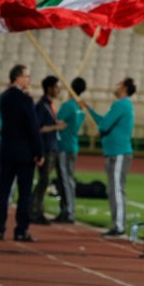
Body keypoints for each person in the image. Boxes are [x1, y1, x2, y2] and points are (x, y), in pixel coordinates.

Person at [0, 64, 44, 242]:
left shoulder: (4, 97)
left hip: (7, 150)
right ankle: (21, 230)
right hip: (24, 153)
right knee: (24, 194)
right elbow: (32, 128)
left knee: (3, 191)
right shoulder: (26, 100)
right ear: (18, 78)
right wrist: (39, 152)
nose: (29, 80)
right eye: (27, 77)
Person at [86, 77, 136, 237]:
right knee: (113, 189)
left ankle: (119, 226)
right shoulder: (123, 105)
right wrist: (89, 110)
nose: (116, 86)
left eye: (119, 84)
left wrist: (92, 115)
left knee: (116, 190)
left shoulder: (120, 104)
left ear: (125, 88)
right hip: (115, 152)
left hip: (118, 153)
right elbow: (104, 122)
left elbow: (104, 126)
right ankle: (117, 224)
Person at [30, 76, 66, 225]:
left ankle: (35, 209)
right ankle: (34, 210)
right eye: (57, 87)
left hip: (53, 146)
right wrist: (56, 127)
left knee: (46, 181)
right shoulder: (42, 105)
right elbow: (38, 128)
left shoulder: (49, 105)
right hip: (46, 147)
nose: (59, 90)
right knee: (43, 181)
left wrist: (54, 124)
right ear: (49, 88)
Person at [54, 77, 87, 223]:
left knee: (65, 180)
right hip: (73, 145)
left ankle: (68, 212)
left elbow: (56, 120)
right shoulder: (80, 107)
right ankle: (67, 210)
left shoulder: (69, 106)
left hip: (65, 146)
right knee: (68, 179)